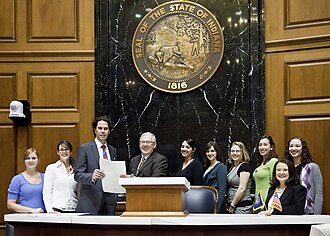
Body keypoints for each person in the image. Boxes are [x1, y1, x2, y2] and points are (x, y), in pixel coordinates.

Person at [74, 115, 118, 215]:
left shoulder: (113, 151)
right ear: (95, 130)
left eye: (106, 129)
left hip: (109, 202)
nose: (103, 131)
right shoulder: (84, 148)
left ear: (109, 131)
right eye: (100, 128)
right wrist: (91, 176)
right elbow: (77, 175)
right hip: (90, 201)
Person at [284, 136, 323, 214]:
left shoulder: (312, 167)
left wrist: (317, 216)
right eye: (291, 146)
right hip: (290, 212)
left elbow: (319, 194)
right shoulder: (285, 169)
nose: (293, 148)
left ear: (303, 148)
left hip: (308, 212)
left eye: (297, 146)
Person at [43, 140, 78, 213]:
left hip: (74, 209)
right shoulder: (52, 168)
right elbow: (47, 191)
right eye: (62, 150)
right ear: (58, 152)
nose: (64, 152)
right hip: (57, 210)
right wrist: (49, 210)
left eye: (67, 149)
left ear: (71, 152)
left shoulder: (76, 170)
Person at [7, 148, 45, 213]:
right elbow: (10, 204)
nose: (31, 161)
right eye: (27, 158)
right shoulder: (17, 179)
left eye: (33, 158)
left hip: (43, 218)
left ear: (38, 160)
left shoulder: (45, 178)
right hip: (24, 218)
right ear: (24, 161)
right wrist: (32, 210)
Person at [226, 141, 253, 214]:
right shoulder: (232, 167)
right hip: (234, 206)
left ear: (242, 153)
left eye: (237, 151)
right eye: (233, 151)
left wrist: (232, 205)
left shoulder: (244, 167)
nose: (235, 153)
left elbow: (242, 188)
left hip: (242, 207)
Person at [252, 135, 278, 208]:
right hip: (258, 202)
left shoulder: (273, 161)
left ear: (271, 147)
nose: (262, 147)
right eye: (260, 145)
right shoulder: (260, 164)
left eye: (265, 145)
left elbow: (275, 183)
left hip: (268, 201)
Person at [203, 141, 227, 213]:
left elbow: (222, 190)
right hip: (207, 202)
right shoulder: (206, 167)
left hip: (216, 204)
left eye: (212, 151)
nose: (210, 153)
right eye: (208, 151)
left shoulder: (221, 167)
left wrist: (217, 209)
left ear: (217, 152)